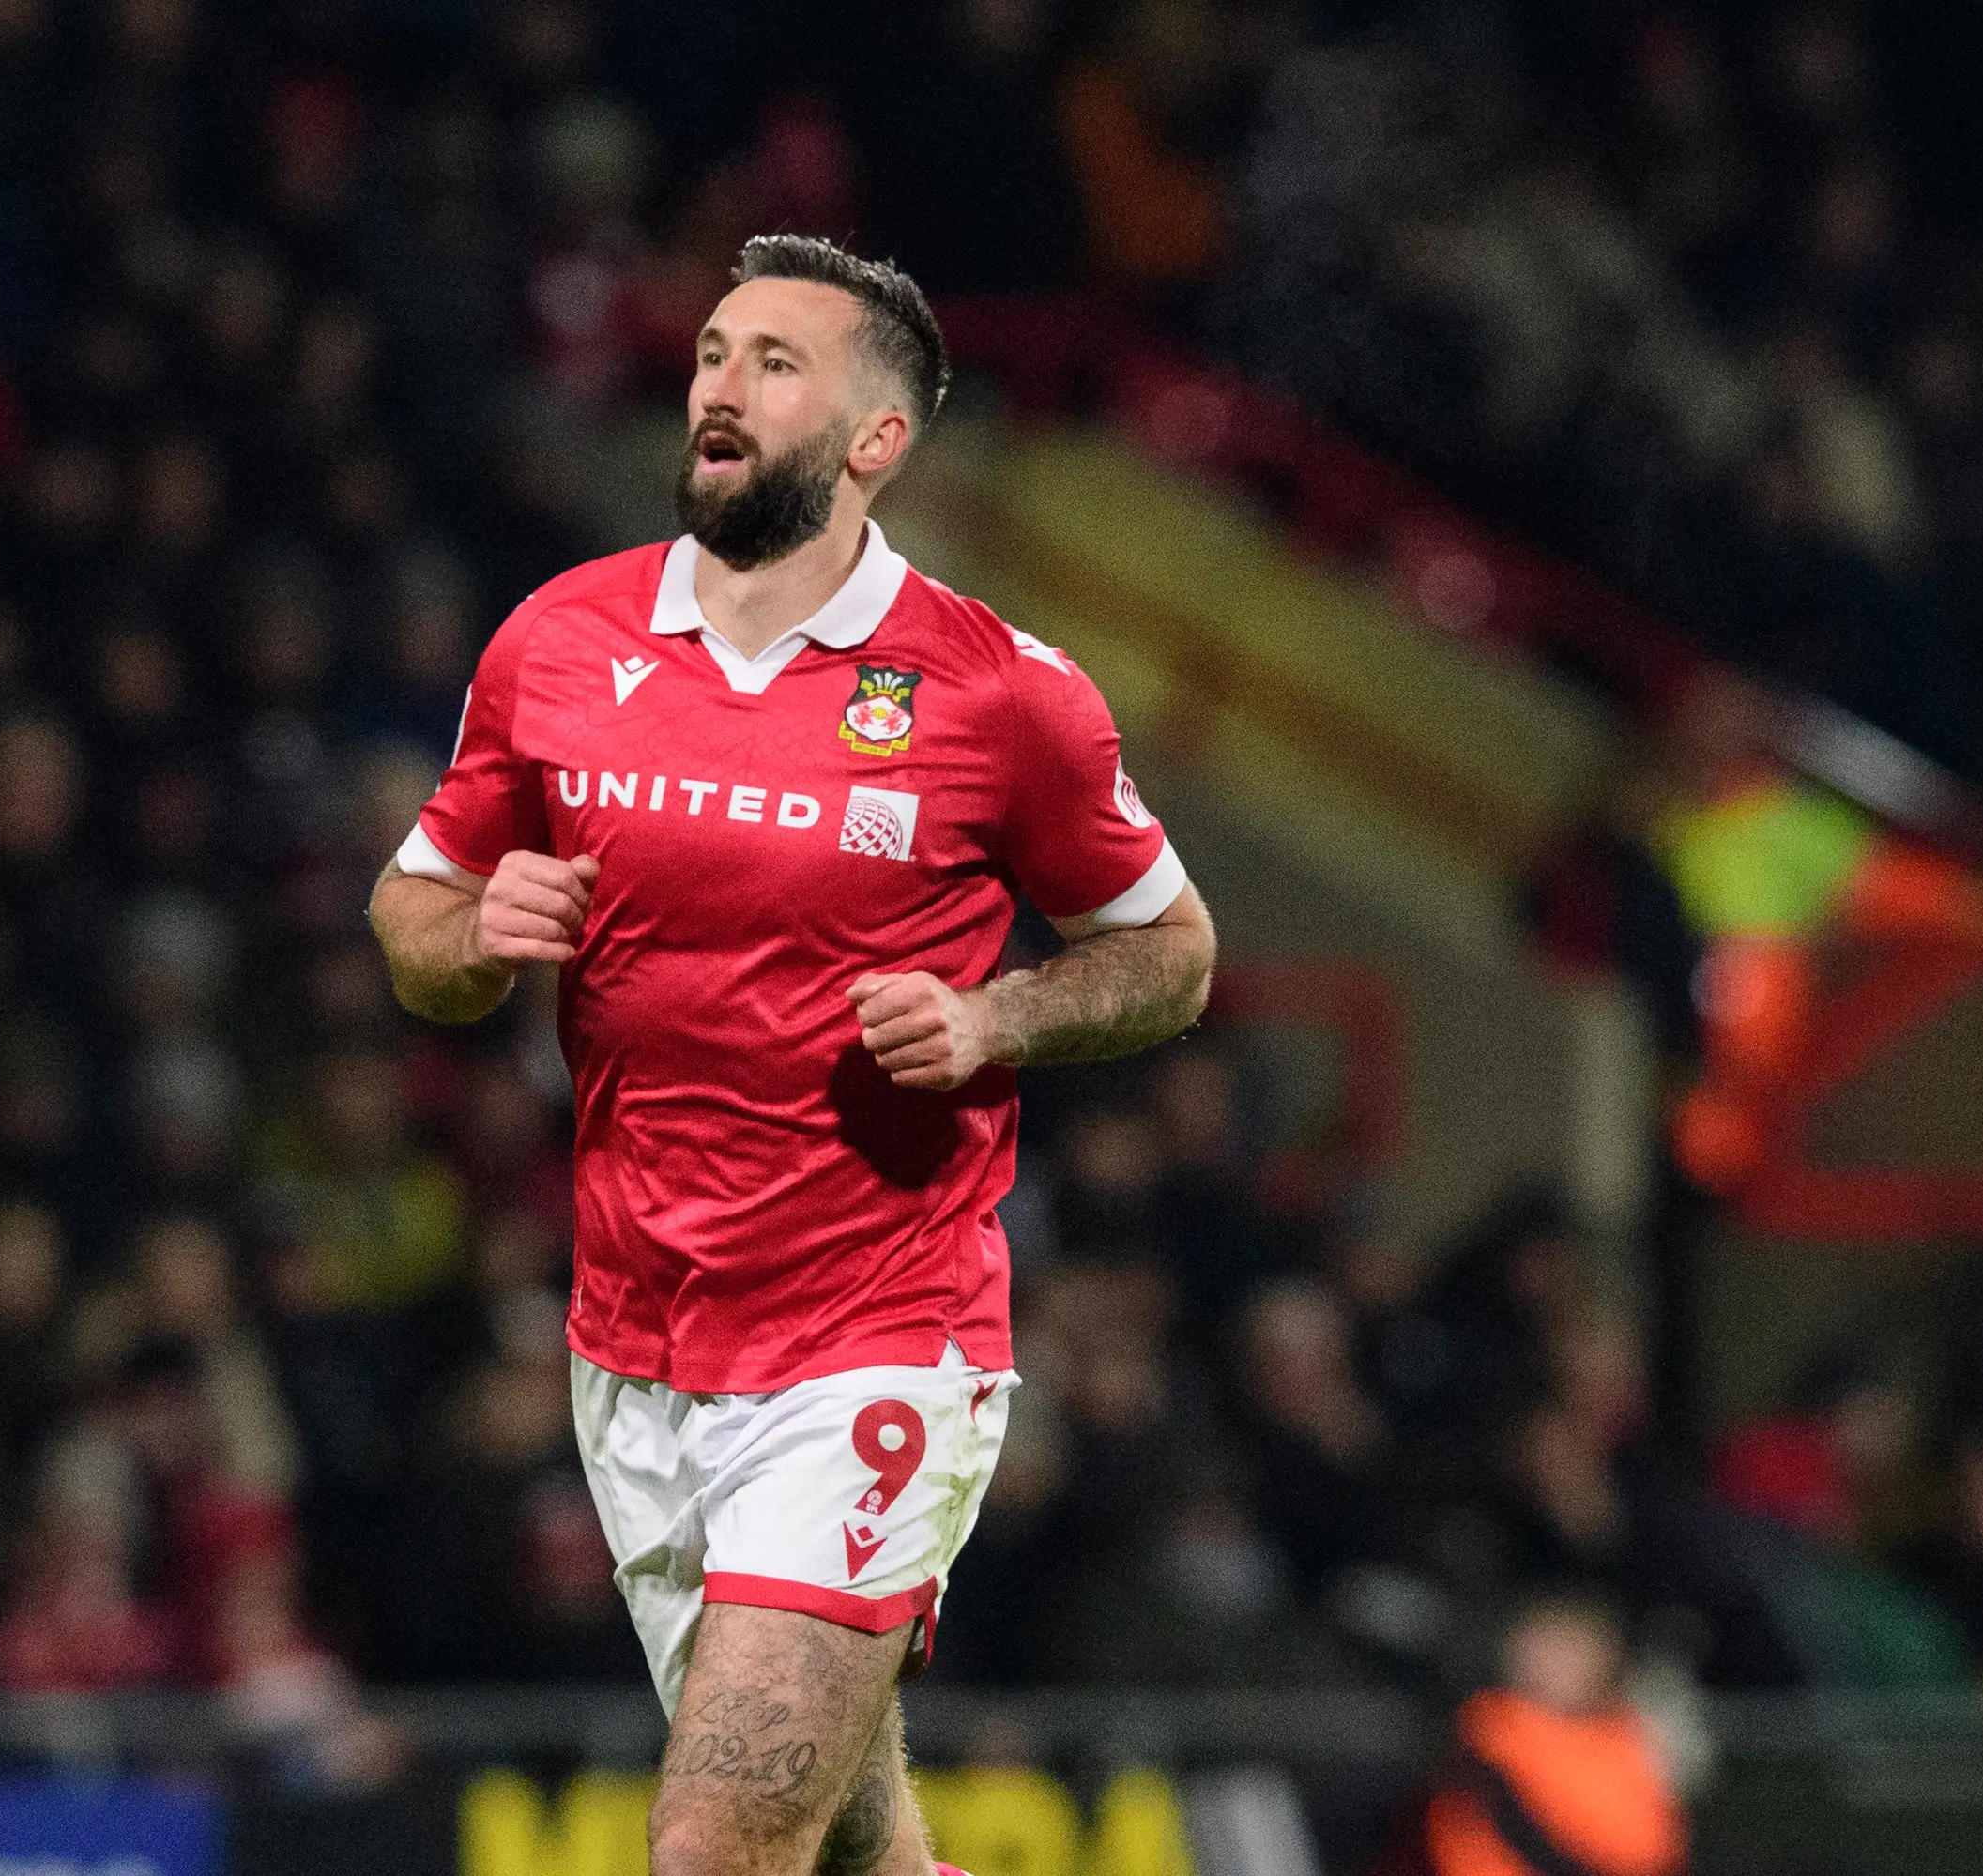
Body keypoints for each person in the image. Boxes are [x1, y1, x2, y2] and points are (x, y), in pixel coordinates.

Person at [367, 235, 1215, 1876]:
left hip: (872, 1332)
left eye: (774, 362)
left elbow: (1172, 952)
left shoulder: (1001, 694)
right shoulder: (557, 638)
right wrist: (473, 940)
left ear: (876, 439)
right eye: (709, 352)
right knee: (851, 1850)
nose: (718, 388)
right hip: (636, 1337)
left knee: (715, 1843)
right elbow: (415, 915)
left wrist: (994, 1015)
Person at [1418, 1594, 1687, 1876]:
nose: (1552, 1664)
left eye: (1571, 1653)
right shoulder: (1487, 1726)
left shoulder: (1626, 1739)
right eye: (1546, 1648)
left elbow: (1648, 1849)